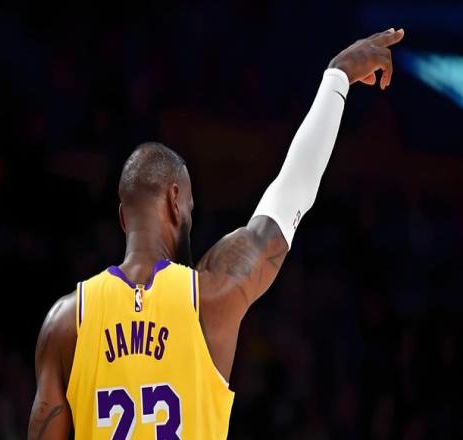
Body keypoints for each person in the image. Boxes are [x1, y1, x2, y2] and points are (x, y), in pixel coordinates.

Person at [28, 27, 405, 439]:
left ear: (123, 218)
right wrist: (337, 77)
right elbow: (290, 195)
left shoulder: (66, 322)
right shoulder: (209, 297)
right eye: (190, 204)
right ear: (175, 200)